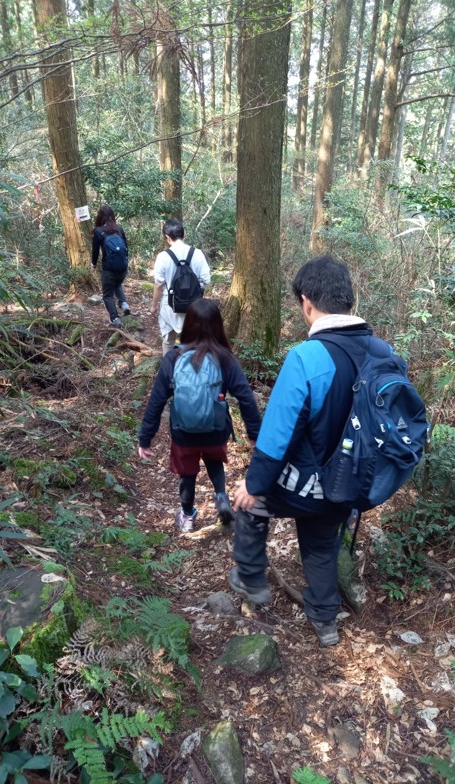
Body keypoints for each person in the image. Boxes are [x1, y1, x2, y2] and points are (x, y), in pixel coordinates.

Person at [229, 256, 370, 648]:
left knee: (248, 503)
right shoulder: (380, 353)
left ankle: (251, 578)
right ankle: (326, 623)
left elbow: (277, 436)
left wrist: (254, 485)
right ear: (348, 298)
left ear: (307, 302)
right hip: (349, 488)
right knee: (322, 549)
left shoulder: (306, 358)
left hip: (303, 486)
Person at [138, 298, 261, 533]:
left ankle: (187, 517)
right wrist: (255, 434)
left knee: (187, 473)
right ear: (218, 326)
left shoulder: (173, 358)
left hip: (183, 433)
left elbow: (156, 401)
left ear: (188, 324)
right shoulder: (225, 359)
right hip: (216, 430)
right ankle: (221, 497)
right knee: (213, 459)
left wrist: (145, 438)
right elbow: (246, 397)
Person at [151, 218, 211, 355]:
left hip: (170, 305)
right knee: (193, 341)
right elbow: (206, 280)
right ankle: (193, 369)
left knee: (168, 341)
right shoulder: (197, 253)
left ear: (167, 237)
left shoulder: (162, 257)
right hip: (194, 306)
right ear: (184, 234)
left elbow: (158, 285)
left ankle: (169, 370)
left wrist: (154, 306)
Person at [92, 205, 131, 328]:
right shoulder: (119, 229)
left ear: (100, 217)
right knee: (117, 284)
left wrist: (93, 264)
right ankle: (124, 304)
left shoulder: (99, 231)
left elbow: (95, 251)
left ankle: (114, 319)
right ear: (112, 216)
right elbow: (126, 247)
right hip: (122, 268)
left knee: (108, 295)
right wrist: (125, 262)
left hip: (109, 269)